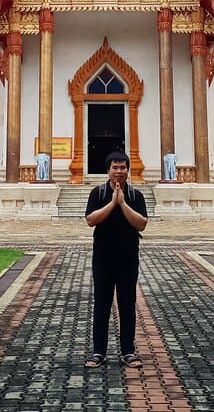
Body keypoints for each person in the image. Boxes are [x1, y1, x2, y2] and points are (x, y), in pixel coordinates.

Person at [84, 151, 148, 369]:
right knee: (101, 305)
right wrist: (112, 204)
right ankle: (98, 351)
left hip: (128, 258)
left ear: (128, 170)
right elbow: (91, 220)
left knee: (127, 305)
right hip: (103, 258)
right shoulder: (98, 193)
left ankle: (128, 351)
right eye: (115, 167)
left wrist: (122, 203)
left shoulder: (136, 196)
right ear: (107, 170)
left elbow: (141, 224)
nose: (119, 171)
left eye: (123, 167)